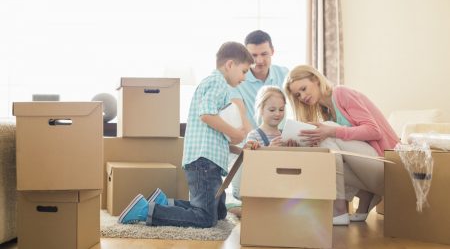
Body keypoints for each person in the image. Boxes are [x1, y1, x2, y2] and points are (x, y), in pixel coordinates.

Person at [117, 41, 254, 228]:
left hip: (207, 161)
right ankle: (146, 210)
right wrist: (236, 133)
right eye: (244, 71)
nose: (245, 77)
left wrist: (237, 148)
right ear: (230, 65)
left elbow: (213, 133)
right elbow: (206, 115)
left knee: (219, 212)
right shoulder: (218, 83)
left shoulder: (213, 83)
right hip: (205, 163)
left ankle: (165, 203)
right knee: (205, 218)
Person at [284, 65, 398, 225]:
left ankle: (338, 209)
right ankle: (364, 196)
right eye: (298, 95)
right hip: (371, 170)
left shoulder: (342, 93)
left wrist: (332, 131)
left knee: (326, 133)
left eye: (304, 88)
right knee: (321, 153)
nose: (302, 96)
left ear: (316, 80)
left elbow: (374, 131)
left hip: (388, 166)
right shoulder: (327, 110)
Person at [229, 30, 289, 202]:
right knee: (244, 190)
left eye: (265, 54)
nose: (260, 61)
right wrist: (262, 149)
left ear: (273, 52)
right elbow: (243, 120)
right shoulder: (238, 79)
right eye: (253, 55)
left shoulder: (284, 74)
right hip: (252, 144)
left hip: (279, 140)